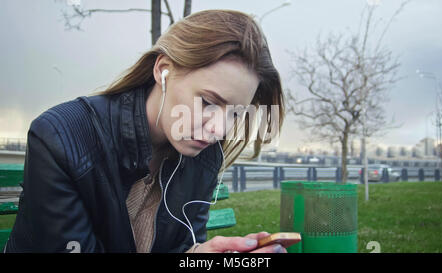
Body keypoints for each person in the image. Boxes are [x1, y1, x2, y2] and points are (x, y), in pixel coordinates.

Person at [4, 9, 285, 253]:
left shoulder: (205, 156)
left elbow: (182, 245)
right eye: (209, 103)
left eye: (236, 113)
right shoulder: (61, 138)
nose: (218, 130)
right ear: (163, 70)